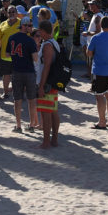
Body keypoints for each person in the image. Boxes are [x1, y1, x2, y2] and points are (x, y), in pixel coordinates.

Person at [6, 18, 39, 133]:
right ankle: (31, 125)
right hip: (29, 72)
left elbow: (7, 53)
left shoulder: (12, 38)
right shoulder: (30, 41)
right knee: (31, 99)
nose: (31, 28)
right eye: (29, 25)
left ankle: (18, 125)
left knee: (17, 99)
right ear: (24, 26)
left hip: (16, 71)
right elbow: (35, 59)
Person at [88, 16, 108, 129]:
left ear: (100, 25)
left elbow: (89, 53)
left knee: (99, 96)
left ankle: (102, 121)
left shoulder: (96, 38)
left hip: (99, 70)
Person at [36, 21, 62, 149]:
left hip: (47, 83)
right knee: (53, 111)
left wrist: (41, 86)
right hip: (53, 82)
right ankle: (54, 139)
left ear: (43, 31)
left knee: (46, 113)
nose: (38, 33)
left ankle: (46, 141)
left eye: (39, 31)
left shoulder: (47, 45)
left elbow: (46, 66)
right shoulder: (54, 42)